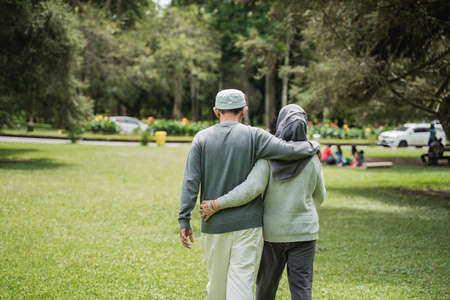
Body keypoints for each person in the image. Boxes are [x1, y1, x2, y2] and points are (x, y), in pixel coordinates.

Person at [178, 90, 321, 300]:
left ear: (216, 111)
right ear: (244, 111)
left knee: (217, 286)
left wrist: (184, 218)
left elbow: (190, 181)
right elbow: (289, 150)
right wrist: (313, 145)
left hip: (213, 224)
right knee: (242, 285)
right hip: (248, 226)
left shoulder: (202, 138)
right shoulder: (256, 135)